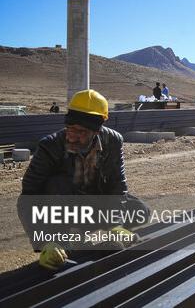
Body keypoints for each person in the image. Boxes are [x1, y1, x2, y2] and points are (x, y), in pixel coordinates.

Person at [17, 89, 150, 270]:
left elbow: (117, 185)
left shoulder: (113, 140)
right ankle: (63, 240)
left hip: (94, 206)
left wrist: (116, 224)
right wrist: (44, 241)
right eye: (69, 128)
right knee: (57, 184)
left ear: (97, 130)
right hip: (62, 209)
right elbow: (28, 196)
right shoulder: (50, 146)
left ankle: (97, 233)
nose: (72, 136)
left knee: (141, 210)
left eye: (80, 132)